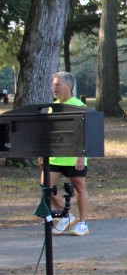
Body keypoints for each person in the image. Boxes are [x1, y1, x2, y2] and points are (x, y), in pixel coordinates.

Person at [43, 72, 91, 236]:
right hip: (55, 155)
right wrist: (42, 153)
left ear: (69, 85)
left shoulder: (78, 105)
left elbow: (85, 132)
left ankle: (83, 223)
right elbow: (49, 132)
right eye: (53, 85)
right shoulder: (52, 106)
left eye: (57, 85)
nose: (54, 88)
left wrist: (81, 155)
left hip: (74, 156)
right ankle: (67, 216)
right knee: (45, 186)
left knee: (79, 188)